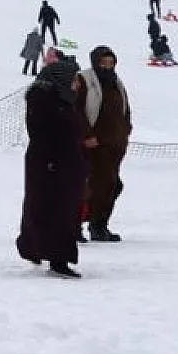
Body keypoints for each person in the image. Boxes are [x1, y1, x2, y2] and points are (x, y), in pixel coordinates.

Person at [16, 57, 85, 277]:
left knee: (53, 210)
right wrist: (52, 163)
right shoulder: (44, 101)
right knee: (56, 211)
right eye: (74, 79)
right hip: (51, 165)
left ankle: (37, 248)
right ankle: (58, 258)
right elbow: (43, 135)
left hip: (63, 165)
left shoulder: (63, 100)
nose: (77, 84)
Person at [74, 46, 131, 242]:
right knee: (91, 187)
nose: (107, 66)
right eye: (103, 62)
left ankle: (99, 225)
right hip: (93, 146)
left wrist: (125, 133)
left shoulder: (117, 83)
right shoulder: (85, 80)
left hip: (114, 145)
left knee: (112, 186)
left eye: (111, 62)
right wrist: (87, 135)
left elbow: (125, 111)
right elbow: (77, 109)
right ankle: (75, 225)